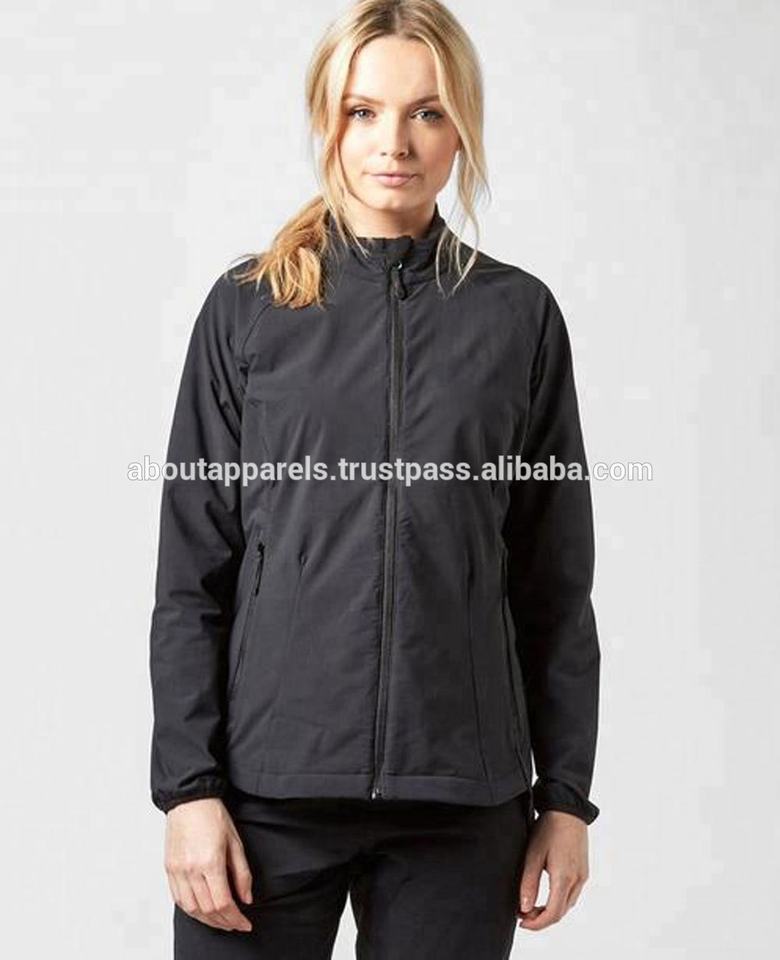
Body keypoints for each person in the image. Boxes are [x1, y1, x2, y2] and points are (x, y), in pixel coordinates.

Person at [148, 1, 601, 957]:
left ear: (462, 126)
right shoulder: (248, 311)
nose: (394, 142)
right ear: (328, 120)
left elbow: (553, 582)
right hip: (265, 799)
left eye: (427, 112)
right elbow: (192, 576)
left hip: (461, 805)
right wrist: (190, 791)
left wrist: (565, 799)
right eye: (363, 111)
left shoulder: (518, 318)